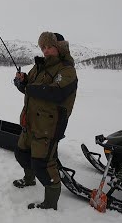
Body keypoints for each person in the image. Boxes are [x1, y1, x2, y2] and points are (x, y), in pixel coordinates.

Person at [13, 32, 78, 211]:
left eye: (50, 47)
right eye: (43, 48)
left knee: (43, 165)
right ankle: (29, 179)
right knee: (21, 153)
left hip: (49, 127)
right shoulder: (39, 67)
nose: (46, 51)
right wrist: (23, 81)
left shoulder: (66, 69)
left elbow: (55, 93)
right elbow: (30, 88)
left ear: (59, 47)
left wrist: (29, 87)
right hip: (30, 122)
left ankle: (50, 203)